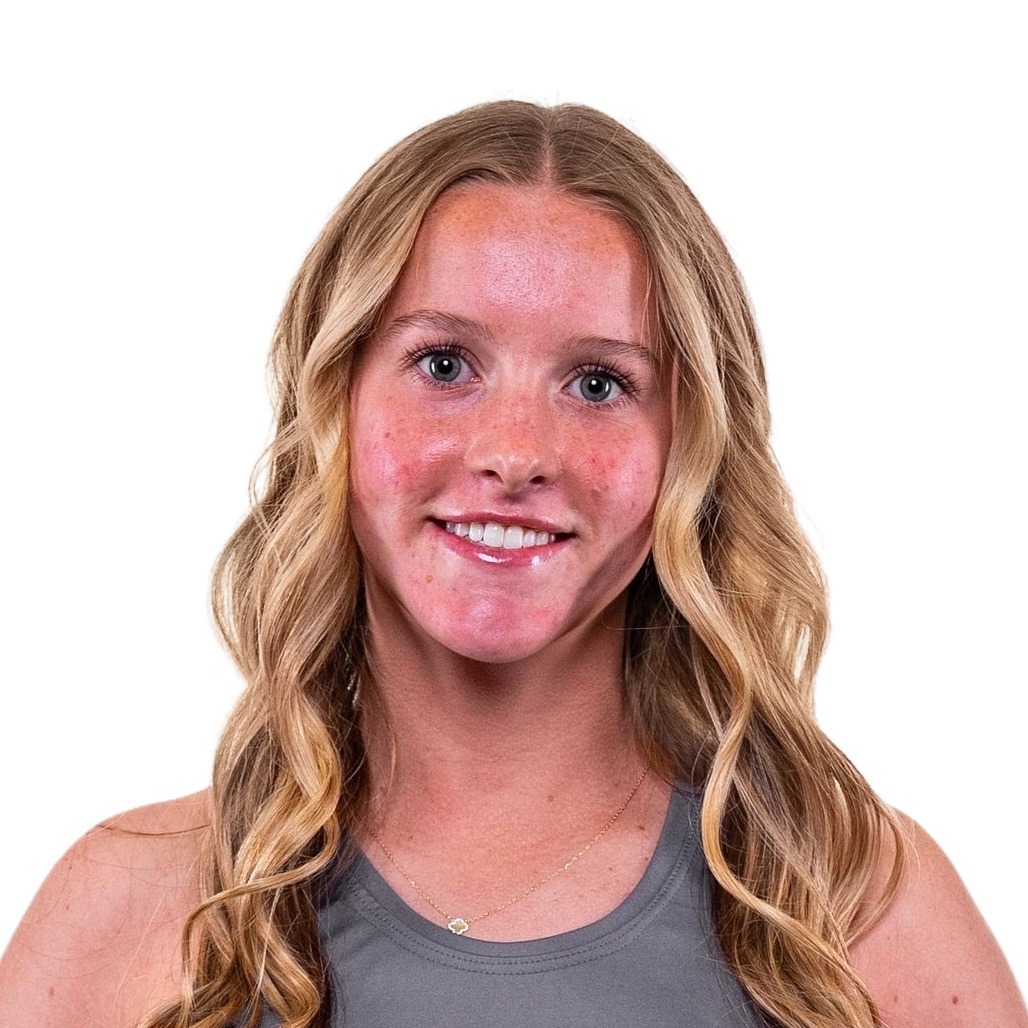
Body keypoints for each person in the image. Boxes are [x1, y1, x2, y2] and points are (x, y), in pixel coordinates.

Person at [0, 101, 1023, 1028]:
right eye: (444, 364)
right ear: (334, 400)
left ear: (690, 444)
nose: (515, 453)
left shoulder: (856, 908)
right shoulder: (124, 913)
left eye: (598, 382)